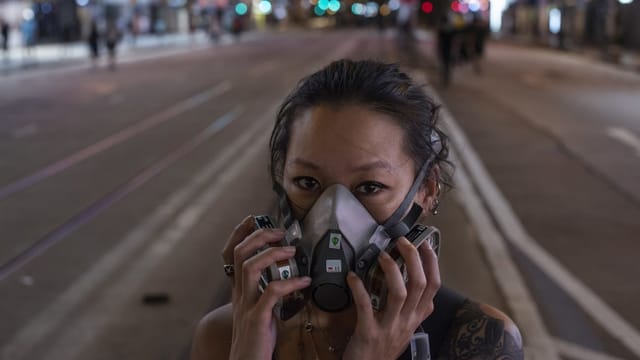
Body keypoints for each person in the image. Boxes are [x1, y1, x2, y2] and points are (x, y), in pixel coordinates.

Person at [191, 59, 524, 360]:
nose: (334, 215)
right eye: (307, 182)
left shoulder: (482, 342)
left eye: (370, 187)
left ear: (427, 189)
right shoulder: (227, 336)